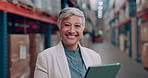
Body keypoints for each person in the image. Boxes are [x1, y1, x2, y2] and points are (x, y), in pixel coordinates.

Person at [34, 7, 102, 78]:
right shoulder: (45, 58)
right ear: (60, 29)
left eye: (77, 26)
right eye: (67, 25)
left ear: (82, 30)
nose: (72, 31)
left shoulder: (95, 57)